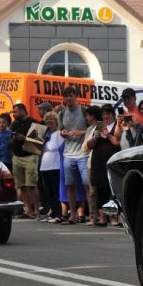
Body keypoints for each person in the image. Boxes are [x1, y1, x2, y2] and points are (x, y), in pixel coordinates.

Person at [84, 104, 122, 226]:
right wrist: (96, 137)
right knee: (100, 191)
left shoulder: (117, 125)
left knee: (112, 191)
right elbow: (89, 146)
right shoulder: (97, 127)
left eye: (108, 114)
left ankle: (113, 218)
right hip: (98, 163)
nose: (105, 116)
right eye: (104, 114)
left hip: (111, 162)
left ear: (113, 115)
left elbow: (117, 142)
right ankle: (102, 218)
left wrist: (107, 134)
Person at [57, 91, 89, 224]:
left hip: (83, 153)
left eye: (71, 95)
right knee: (70, 186)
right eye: (66, 96)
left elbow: (93, 128)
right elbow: (60, 130)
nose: (68, 98)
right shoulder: (62, 113)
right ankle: (72, 215)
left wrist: (81, 132)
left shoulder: (83, 110)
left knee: (87, 185)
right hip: (68, 154)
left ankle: (93, 215)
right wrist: (63, 133)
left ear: (76, 97)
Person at [9, 101, 41, 219]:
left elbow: (38, 143)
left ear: (23, 111)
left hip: (30, 156)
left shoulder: (34, 122)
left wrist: (24, 138)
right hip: (17, 157)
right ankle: (27, 210)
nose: (13, 114)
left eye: (15, 112)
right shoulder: (14, 124)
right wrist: (13, 139)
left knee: (31, 184)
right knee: (21, 185)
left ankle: (37, 210)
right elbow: (9, 140)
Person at [39, 111, 65, 223]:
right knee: (47, 192)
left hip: (55, 166)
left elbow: (56, 147)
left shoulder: (59, 134)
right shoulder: (44, 134)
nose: (49, 121)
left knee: (55, 191)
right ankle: (52, 212)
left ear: (56, 121)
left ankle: (58, 214)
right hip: (44, 166)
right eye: (47, 119)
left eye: (52, 119)